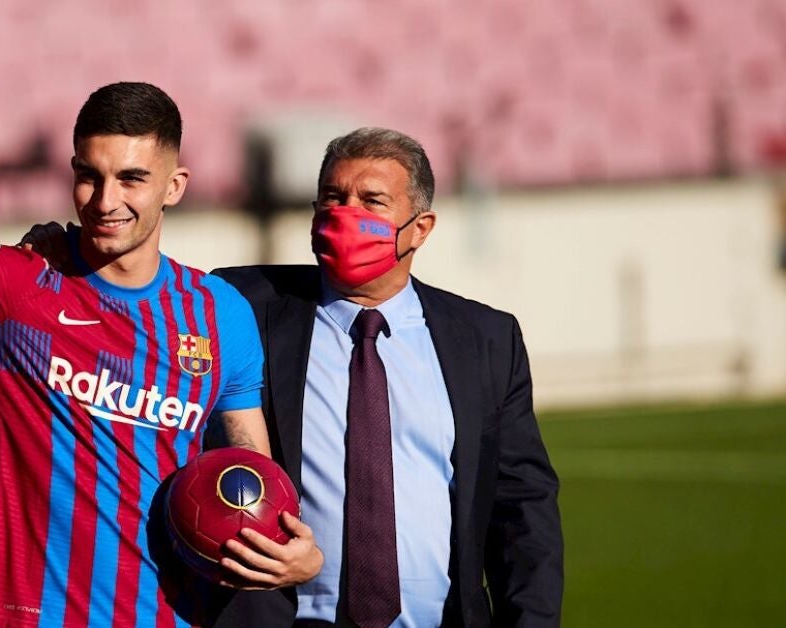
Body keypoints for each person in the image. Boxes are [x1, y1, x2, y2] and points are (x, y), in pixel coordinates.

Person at [0, 11, 320, 627]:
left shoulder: (219, 314)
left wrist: (294, 553)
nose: (106, 200)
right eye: (89, 177)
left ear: (174, 186)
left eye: (132, 179)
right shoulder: (20, 284)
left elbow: (251, 480)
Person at [208, 127, 564, 627]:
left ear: (420, 228)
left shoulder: (485, 339)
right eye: (333, 197)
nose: (345, 214)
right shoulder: (241, 304)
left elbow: (522, 508)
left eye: (371, 201)